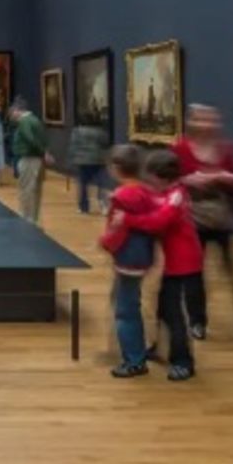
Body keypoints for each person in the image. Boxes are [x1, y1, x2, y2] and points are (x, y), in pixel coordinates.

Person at [172, 103, 233, 348]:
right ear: (192, 122)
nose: (207, 124)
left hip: (220, 218)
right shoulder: (181, 149)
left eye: (211, 119)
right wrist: (189, 180)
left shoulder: (226, 150)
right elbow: (167, 180)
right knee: (194, 274)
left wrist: (226, 178)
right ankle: (197, 321)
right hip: (192, 218)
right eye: (201, 119)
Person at [97, 144, 161, 378]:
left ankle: (134, 360)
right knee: (129, 302)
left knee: (125, 310)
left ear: (117, 168)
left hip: (128, 257)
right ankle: (137, 351)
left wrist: (105, 242)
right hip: (143, 255)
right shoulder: (146, 191)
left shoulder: (123, 195)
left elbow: (117, 229)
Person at [139, 149, 200, 381]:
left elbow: (159, 221)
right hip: (174, 263)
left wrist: (131, 218)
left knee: (174, 314)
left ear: (162, 178)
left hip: (183, 264)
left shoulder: (176, 196)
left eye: (151, 179)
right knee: (163, 308)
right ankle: (160, 347)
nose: (149, 184)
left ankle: (183, 361)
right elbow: (154, 200)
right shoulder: (172, 192)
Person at [8, 98, 49, 223]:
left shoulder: (24, 121)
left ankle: (26, 218)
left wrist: (43, 152)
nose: (11, 117)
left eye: (12, 113)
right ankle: (33, 218)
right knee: (35, 190)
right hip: (36, 159)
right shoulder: (35, 120)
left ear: (17, 110)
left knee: (26, 189)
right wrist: (44, 152)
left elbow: (29, 138)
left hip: (28, 159)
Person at [67, 120, 110, 214]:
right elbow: (105, 143)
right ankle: (104, 205)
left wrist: (71, 159)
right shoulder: (100, 131)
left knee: (83, 184)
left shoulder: (77, 131)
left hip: (82, 160)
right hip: (98, 160)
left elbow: (73, 146)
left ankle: (83, 207)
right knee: (101, 184)